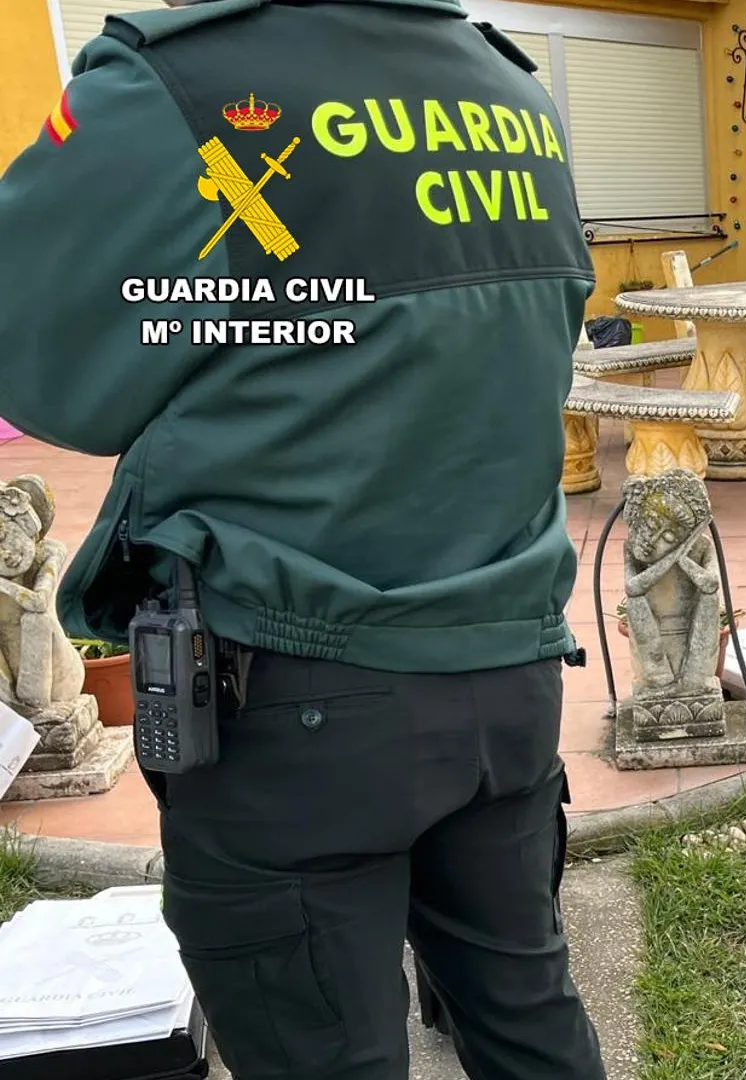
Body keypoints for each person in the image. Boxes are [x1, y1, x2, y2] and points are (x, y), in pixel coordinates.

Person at [0, 2, 606, 1078]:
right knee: (527, 1019)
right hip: (502, 668)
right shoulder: (506, 85)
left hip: (294, 692)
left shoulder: (173, 86)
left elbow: (46, 376)